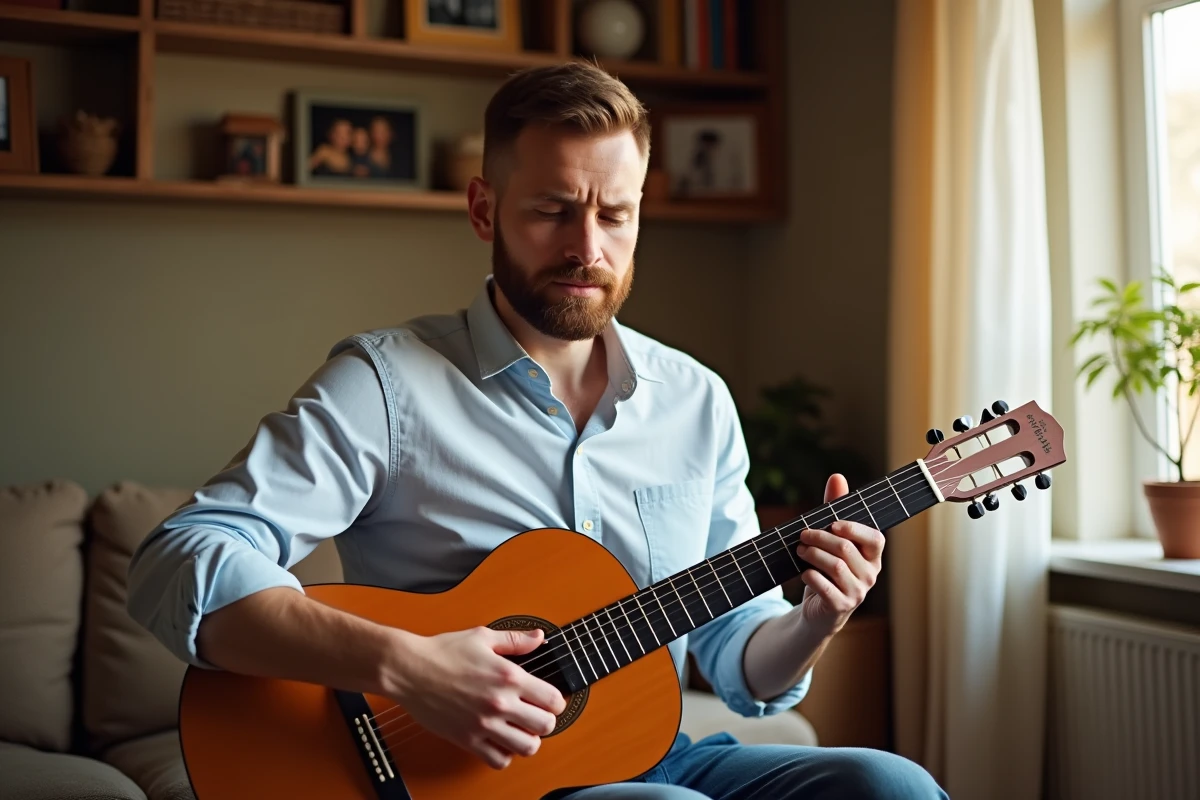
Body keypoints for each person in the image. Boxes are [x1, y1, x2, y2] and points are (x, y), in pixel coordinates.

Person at [126, 61, 947, 800]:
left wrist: (813, 621)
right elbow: (180, 560)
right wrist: (406, 666)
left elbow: (735, 659)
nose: (587, 248)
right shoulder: (387, 384)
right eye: (554, 210)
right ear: (485, 209)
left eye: (615, 216)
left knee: (892, 785)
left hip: (651, 756)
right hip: (456, 779)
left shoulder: (696, 401)